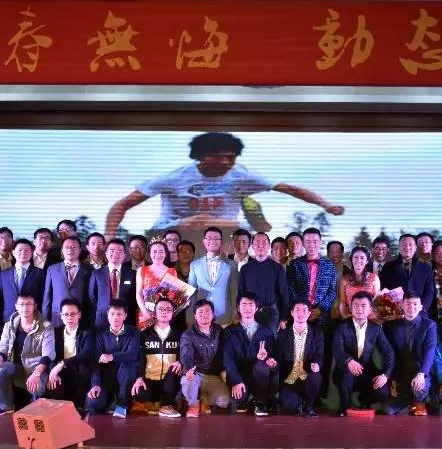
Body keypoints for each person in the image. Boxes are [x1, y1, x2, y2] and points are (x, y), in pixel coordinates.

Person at [103, 132, 344, 237]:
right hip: (171, 230)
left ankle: (251, 222)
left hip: (219, 232)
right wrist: (108, 236)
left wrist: (326, 205)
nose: (227, 163)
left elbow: (289, 188)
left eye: (231, 157)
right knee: (202, 220)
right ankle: (250, 222)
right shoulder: (175, 178)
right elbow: (122, 205)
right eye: (220, 157)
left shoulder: (241, 175)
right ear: (201, 157)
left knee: (230, 227)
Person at [0, 292, 56, 416]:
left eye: (29, 304)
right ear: (16, 306)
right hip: (17, 369)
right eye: (21, 304)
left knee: (37, 389)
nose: (25, 308)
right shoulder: (9, 325)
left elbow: (48, 354)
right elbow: (3, 346)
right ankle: (6, 405)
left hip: (37, 370)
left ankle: (34, 409)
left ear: (35, 306)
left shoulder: (46, 326)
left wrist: (36, 374)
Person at [332, 291, 394, 414]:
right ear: (350, 308)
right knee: (346, 374)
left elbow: (389, 353)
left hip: (366, 371)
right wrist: (349, 361)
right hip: (345, 370)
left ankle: (365, 400)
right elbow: (337, 349)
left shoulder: (376, 328)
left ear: (370, 309)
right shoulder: (341, 327)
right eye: (356, 305)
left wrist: (385, 375)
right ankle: (344, 407)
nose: (359, 309)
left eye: (363, 306)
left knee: (383, 390)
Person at [223, 293, 278, 415]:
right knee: (240, 399)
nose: (247, 308)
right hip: (239, 376)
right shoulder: (230, 332)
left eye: (251, 305)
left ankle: (260, 403)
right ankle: (247, 398)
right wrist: (236, 380)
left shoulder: (266, 332)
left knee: (261, 367)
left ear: (256, 308)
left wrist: (266, 359)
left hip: (260, 377)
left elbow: (273, 358)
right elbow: (228, 360)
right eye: (244, 304)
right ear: (238, 308)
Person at [384, 293, 438, 415]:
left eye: (415, 304)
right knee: (388, 409)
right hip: (403, 373)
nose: (411, 307)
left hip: (421, 371)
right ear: (402, 305)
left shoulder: (429, 325)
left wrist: (422, 374)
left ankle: (421, 400)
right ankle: (412, 400)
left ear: (421, 307)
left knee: (419, 388)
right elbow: (392, 355)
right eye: (408, 304)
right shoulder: (393, 327)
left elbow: (430, 351)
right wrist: (393, 380)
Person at [86, 304, 140, 417]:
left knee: (127, 365)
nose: (115, 317)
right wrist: (96, 384)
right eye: (112, 314)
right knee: (94, 404)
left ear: (125, 316)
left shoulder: (134, 332)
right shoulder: (101, 334)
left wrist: (111, 357)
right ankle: (109, 401)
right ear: (107, 315)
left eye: (119, 314)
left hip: (126, 378)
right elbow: (95, 361)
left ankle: (122, 405)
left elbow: (132, 354)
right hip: (107, 377)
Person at [133, 297, 184, 418]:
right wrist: (139, 377)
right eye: (161, 309)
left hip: (170, 380)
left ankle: (165, 405)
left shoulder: (180, 334)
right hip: (150, 379)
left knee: (175, 369)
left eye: (168, 309)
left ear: (173, 313)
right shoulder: (144, 334)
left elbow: (185, 354)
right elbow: (139, 359)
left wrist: (181, 362)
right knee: (139, 393)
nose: (164, 312)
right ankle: (160, 401)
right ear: (155, 313)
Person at [179, 299, 228, 416]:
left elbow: (225, 352)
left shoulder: (219, 331)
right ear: (195, 316)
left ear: (213, 314)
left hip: (212, 375)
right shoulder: (188, 334)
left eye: (207, 311)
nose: (204, 314)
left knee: (224, 401)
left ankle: (202, 398)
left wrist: (224, 372)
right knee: (188, 380)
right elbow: (186, 355)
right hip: (195, 373)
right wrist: (189, 369)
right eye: (200, 312)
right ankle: (193, 405)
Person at [275, 299, 324, 417]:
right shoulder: (283, 334)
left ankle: (309, 406)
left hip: (307, 374)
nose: (301, 313)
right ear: (292, 313)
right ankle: (298, 403)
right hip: (290, 377)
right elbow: (278, 357)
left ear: (309, 313)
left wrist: (317, 364)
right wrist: (273, 363)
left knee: (315, 377)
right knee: (288, 405)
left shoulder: (317, 334)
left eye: (304, 310)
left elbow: (319, 354)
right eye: (297, 310)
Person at [286, 227, 340, 329]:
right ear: (303, 243)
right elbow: (290, 288)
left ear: (320, 242)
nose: (311, 245)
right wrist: (301, 308)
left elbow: (332, 291)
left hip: (321, 314)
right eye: (308, 242)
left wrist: (320, 309)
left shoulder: (329, 265)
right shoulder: (295, 264)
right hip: (299, 313)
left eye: (315, 242)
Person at [135, 239, 194, 329]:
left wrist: (183, 301)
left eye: (161, 251)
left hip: (165, 315)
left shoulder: (172, 271)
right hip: (146, 313)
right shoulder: (142, 270)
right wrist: (146, 312)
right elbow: (138, 294)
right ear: (150, 254)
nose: (158, 255)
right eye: (154, 251)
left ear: (166, 254)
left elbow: (175, 296)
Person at [46, 299, 93, 408]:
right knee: (53, 387)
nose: (69, 317)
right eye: (66, 314)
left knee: (78, 406)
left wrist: (62, 363)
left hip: (79, 371)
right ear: (61, 316)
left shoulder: (87, 332)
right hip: (62, 372)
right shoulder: (56, 332)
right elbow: (51, 355)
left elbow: (86, 354)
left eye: (73, 314)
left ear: (79, 315)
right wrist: (54, 371)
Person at [187, 226, 237, 327]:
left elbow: (234, 292)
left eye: (216, 238)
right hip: (201, 318)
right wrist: (189, 317)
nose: (213, 241)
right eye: (209, 238)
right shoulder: (195, 264)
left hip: (224, 317)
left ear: (221, 241)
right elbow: (191, 294)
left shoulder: (232, 264)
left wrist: (233, 315)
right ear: (204, 241)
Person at [240, 231, 289, 330]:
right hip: (249, 313)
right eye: (257, 242)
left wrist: (284, 318)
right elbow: (241, 293)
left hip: (271, 314)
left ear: (269, 246)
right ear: (252, 246)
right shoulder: (245, 268)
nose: (260, 245)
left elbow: (284, 295)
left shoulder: (278, 268)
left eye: (264, 242)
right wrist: (239, 314)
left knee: (271, 339)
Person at [41, 234, 92, 328]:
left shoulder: (89, 270)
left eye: (74, 247)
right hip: (57, 317)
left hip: (81, 317)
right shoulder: (52, 269)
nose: (70, 250)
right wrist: (44, 319)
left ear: (80, 250)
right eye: (67, 247)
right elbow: (47, 296)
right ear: (62, 250)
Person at [88, 238, 138, 329]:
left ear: (124, 255)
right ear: (106, 254)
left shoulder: (132, 274)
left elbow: (134, 298)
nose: (115, 254)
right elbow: (92, 297)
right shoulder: (97, 273)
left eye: (119, 251)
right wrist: (104, 308)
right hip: (102, 318)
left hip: (125, 319)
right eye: (112, 251)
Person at [0, 238, 46, 321]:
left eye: (26, 250)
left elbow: (43, 298)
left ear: (32, 253)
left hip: (33, 318)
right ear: (13, 253)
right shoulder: (3, 274)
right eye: (20, 250)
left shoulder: (41, 273)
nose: (23, 253)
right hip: (8, 318)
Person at [337, 245, 381, 320]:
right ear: (351, 259)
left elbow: (377, 302)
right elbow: (342, 303)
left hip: (370, 318)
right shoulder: (344, 279)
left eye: (362, 258)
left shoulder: (374, 278)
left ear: (367, 261)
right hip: (350, 317)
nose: (358, 260)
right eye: (356, 257)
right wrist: (344, 317)